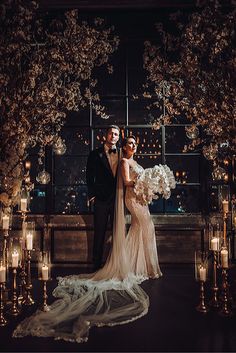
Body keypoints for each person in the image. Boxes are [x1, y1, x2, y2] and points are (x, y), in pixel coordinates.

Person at [13, 135, 164, 344]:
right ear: (118, 142)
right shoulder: (115, 158)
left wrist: (148, 185)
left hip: (132, 200)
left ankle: (141, 265)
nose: (132, 145)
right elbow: (101, 177)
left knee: (143, 229)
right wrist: (143, 181)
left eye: (134, 143)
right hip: (118, 199)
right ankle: (108, 265)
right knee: (132, 229)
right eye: (128, 142)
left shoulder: (127, 157)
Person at [86, 125, 120, 270]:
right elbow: (89, 176)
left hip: (118, 199)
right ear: (106, 135)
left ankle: (115, 265)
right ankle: (96, 265)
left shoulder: (122, 154)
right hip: (100, 199)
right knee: (99, 233)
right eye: (111, 133)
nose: (113, 136)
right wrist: (92, 195)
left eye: (116, 134)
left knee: (117, 234)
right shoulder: (95, 154)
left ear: (118, 138)